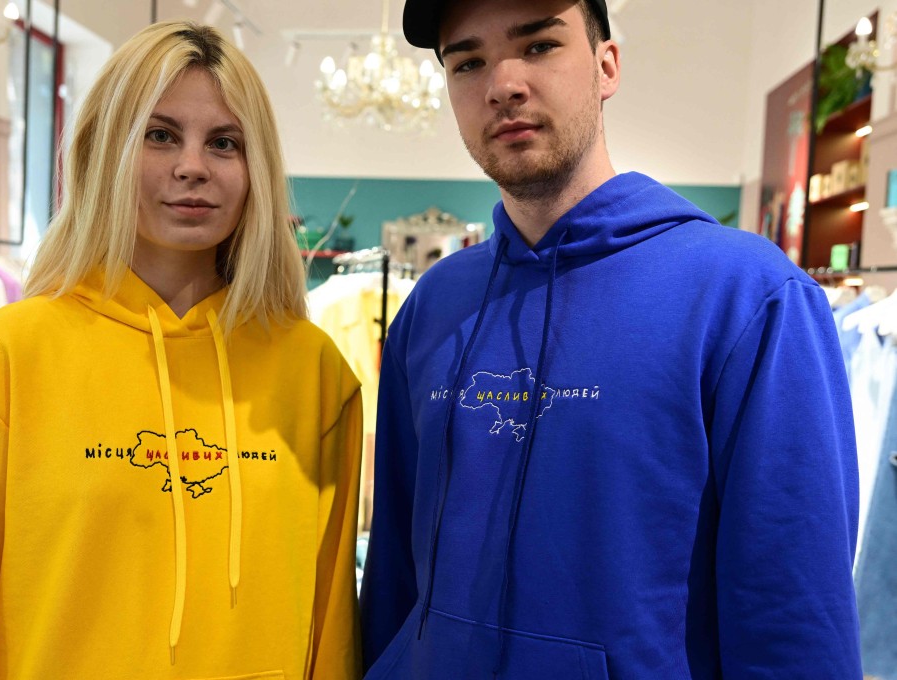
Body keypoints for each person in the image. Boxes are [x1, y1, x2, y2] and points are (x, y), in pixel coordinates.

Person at [359, 0, 862, 678]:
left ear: (606, 65)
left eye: (538, 46)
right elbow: (394, 573)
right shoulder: (434, 306)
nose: (502, 83)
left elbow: (793, 616)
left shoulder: (749, 297)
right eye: (468, 61)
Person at [0, 20, 362, 679]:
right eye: (161, 134)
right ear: (104, 151)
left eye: (224, 142)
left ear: (255, 167)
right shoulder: (2, 359)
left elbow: (331, 631)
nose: (192, 166)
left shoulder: (315, 371)